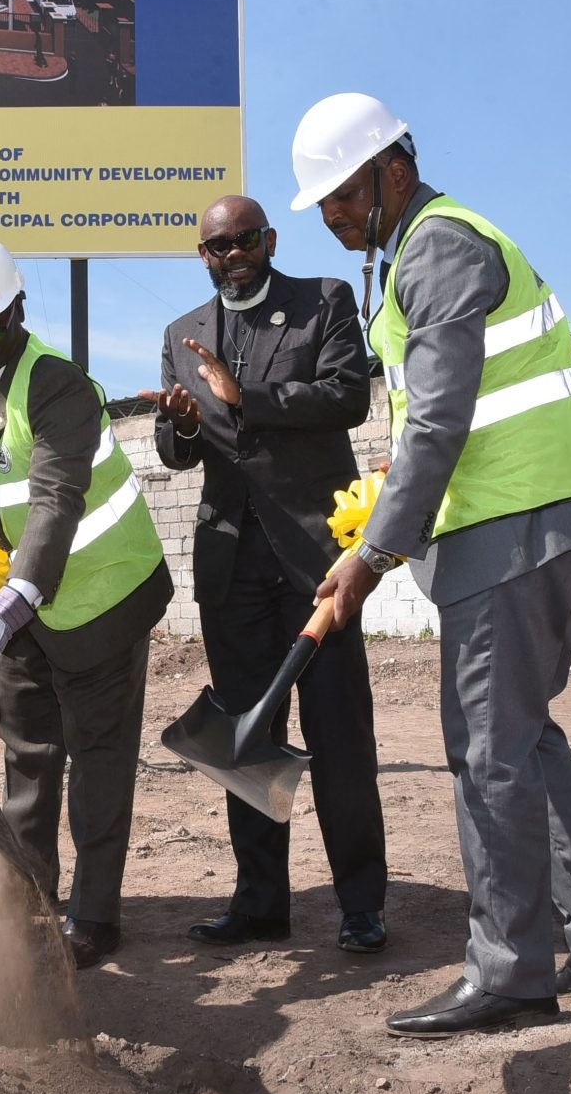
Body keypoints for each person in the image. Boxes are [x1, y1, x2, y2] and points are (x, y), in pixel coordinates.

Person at [293, 93, 571, 1039]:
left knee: (488, 750)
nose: (331, 214)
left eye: (340, 194)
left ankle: (508, 970)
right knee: (525, 735)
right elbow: (433, 420)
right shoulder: (418, 250)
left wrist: (374, 554)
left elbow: (443, 418)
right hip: (534, 514)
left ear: (394, 171)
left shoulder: (438, 248)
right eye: (323, 202)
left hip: (519, 524)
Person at [137, 195, 389, 955]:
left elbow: (348, 396)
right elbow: (177, 452)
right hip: (231, 565)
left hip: (315, 559)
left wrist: (249, 398)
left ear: (269, 240)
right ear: (203, 255)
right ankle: (260, 903)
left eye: (246, 239)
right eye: (218, 245)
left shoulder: (324, 302)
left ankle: (361, 904)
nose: (233, 253)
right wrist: (182, 424)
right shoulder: (182, 334)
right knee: (246, 739)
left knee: (338, 732)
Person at [0, 234, 173, 968]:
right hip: (23, 599)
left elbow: (55, 501)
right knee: (26, 751)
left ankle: (95, 916)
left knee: (97, 765)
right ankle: (24, 889)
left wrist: (7, 611)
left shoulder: (60, 386)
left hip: (102, 595)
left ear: (20, 307)